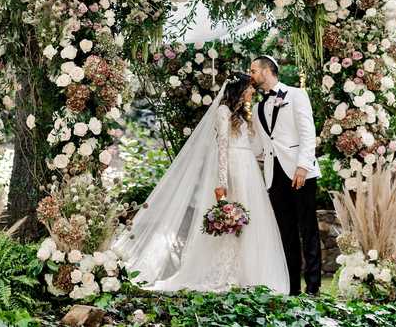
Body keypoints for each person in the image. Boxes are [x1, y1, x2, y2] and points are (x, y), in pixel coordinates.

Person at [113, 73, 289, 294]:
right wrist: (223, 181)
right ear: (239, 89)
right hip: (234, 170)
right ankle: (227, 272)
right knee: (233, 221)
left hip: (249, 171)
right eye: (249, 88)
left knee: (250, 221)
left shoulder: (244, 115)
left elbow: (252, 146)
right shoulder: (223, 112)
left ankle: (248, 273)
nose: (252, 91)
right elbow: (223, 147)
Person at [249, 55, 322, 296]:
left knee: (308, 230)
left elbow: (307, 133)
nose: (251, 75)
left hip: (299, 172)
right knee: (286, 234)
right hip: (274, 176)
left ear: (268, 70)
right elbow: (261, 146)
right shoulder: (258, 107)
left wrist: (303, 166)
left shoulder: (296, 94)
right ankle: (292, 288)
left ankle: (313, 287)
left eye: (254, 70)